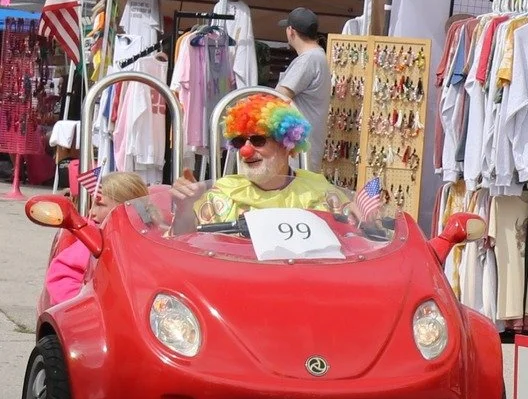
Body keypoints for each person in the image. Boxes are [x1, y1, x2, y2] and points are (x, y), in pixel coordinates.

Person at [172, 91, 347, 225]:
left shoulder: (318, 195)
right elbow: (187, 244)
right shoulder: (225, 193)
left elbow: (349, 243)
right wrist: (185, 210)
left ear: (286, 144)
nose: (246, 151)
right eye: (240, 142)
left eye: (258, 140)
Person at [44, 172, 148, 306]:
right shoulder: (92, 238)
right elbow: (61, 275)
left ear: (128, 207)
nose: (91, 212)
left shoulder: (153, 234)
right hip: (99, 312)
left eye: (100, 205)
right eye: (94, 203)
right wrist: (85, 304)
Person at [274, 9, 332, 163]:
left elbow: (279, 97)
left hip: (298, 151)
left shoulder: (308, 60)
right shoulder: (318, 56)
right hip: (306, 148)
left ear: (291, 31)